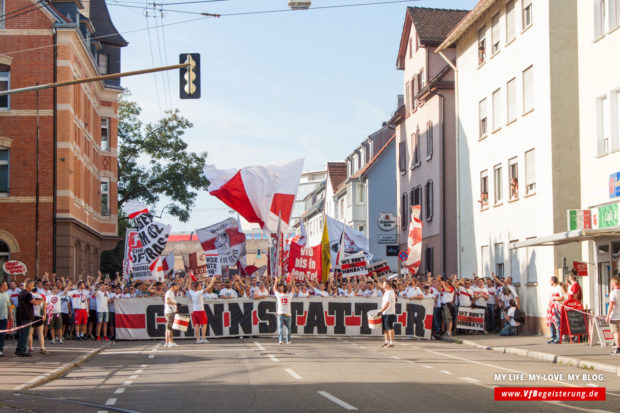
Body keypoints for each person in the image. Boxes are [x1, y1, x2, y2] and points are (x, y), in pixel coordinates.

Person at [16, 279, 43, 357]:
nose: (33, 287)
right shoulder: (27, 294)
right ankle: (22, 350)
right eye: (32, 285)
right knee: (25, 334)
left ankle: (19, 349)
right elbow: (34, 302)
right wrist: (41, 301)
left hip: (20, 316)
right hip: (26, 316)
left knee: (21, 334)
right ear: (29, 285)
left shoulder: (20, 293)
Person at [187, 277, 215, 344]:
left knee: (196, 325)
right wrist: (212, 281)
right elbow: (208, 288)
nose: (201, 286)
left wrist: (190, 280)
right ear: (198, 287)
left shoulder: (192, 292)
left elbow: (189, 287)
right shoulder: (199, 293)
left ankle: (197, 339)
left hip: (194, 311)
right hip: (201, 310)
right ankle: (203, 338)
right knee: (203, 325)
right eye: (200, 285)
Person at [273, 277, 296, 344]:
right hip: (287, 313)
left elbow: (274, 289)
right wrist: (292, 283)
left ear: (282, 290)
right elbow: (293, 290)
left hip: (280, 313)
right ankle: (288, 340)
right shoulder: (289, 296)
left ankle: (280, 340)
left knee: (280, 327)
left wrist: (276, 281)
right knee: (288, 328)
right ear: (286, 290)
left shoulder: (279, 295)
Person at [377, 280, 396, 347]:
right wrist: (376, 280)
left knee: (390, 327)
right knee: (385, 328)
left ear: (387, 285)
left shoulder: (390, 293)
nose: (383, 285)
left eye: (384, 284)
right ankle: (386, 341)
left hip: (389, 312)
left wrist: (381, 311)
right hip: (385, 312)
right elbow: (381, 286)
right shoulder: (387, 291)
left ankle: (391, 342)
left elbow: (387, 304)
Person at [546, 276, 564, 344]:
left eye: (550, 281)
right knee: (551, 322)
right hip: (551, 307)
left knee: (557, 322)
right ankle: (553, 337)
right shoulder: (551, 288)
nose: (550, 282)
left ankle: (559, 338)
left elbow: (562, 298)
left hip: (557, 307)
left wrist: (555, 299)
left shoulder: (559, 288)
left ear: (553, 281)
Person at [606, 277, 620, 355]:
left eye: (611, 284)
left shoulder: (613, 293)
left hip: (615, 316)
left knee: (616, 332)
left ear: (614, 284)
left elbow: (611, 304)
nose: (610, 285)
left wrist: (607, 315)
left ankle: (618, 348)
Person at [164, 282, 180, 348]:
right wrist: (175, 304)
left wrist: (175, 309)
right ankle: (171, 342)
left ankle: (167, 342)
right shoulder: (169, 292)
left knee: (168, 328)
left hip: (171, 311)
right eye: (176, 286)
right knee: (170, 328)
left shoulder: (171, 293)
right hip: (169, 312)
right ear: (172, 286)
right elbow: (168, 301)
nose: (177, 287)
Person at [0, 281, 12, 357]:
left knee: (3, 334)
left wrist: (10, 315)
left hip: (4, 318)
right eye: (5, 285)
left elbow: (9, 305)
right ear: (1, 286)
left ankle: (0, 349)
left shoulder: (7, 294)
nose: (7, 286)